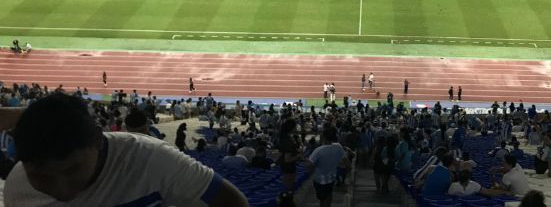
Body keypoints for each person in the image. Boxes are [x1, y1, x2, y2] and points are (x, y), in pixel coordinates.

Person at [4, 93, 248, 206]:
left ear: (97, 140)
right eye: (42, 177)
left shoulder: (152, 158)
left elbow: (232, 202)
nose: (62, 189)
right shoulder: (18, 188)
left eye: (72, 170)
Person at [307, 126, 348, 207]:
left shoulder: (319, 150)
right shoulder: (338, 147)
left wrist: (305, 160)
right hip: (332, 178)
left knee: (322, 199)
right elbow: (345, 160)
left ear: (324, 137)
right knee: (328, 196)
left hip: (320, 179)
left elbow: (309, 165)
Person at [278, 118, 302, 191]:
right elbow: (288, 159)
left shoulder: (285, 137)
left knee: (287, 181)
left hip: (285, 164)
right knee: (289, 183)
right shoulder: (288, 140)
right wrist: (299, 155)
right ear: (292, 127)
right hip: (288, 165)